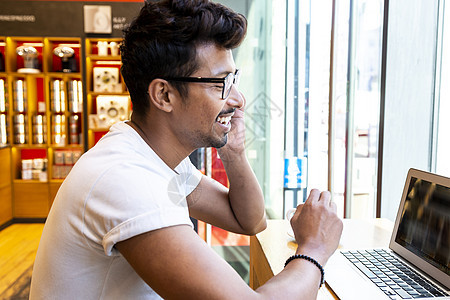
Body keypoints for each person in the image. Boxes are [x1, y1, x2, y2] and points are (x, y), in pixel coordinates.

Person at [30, 0, 343, 299]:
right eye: (220, 83)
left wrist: (233, 152)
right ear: (164, 95)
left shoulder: (151, 156)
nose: (237, 100)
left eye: (233, 79)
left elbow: (249, 220)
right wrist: (315, 247)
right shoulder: (125, 180)